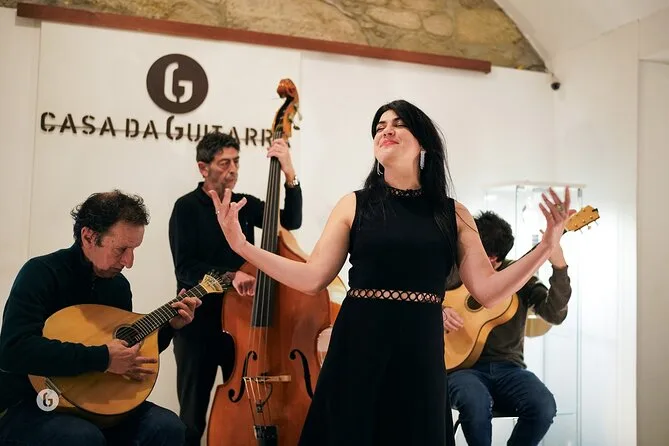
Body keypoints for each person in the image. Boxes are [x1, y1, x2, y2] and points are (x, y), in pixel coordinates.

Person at [208, 99, 573, 446]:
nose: (386, 130)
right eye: (380, 126)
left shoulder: (453, 213)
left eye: (399, 124)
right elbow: (312, 277)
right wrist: (243, 247)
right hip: (359, 344)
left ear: (423, 143)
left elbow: (489, 291)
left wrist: (545, 247)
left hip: (420, 349)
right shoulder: (353, 204)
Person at [0, 190, 201, 446]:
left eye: (134, 250)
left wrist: (170, 327)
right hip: (33, 402)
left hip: (94, 402)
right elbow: (13, 350)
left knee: (168, 427)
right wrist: (102, 357)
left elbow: (125, 352)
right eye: (121, 249)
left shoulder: (118, 286)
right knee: (82, 437)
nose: (129, 261)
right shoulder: (41, 273)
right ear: (89, 237)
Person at [168, 131, 303, 445]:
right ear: (203, 168)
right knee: (192, 419)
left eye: (236, 162)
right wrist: (231, 277)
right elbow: (185, 268)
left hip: (241, 328)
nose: (233, 169)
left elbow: (290, 221)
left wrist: (289, 174)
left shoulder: (244, 204)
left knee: (246, 410)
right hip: (198, 328)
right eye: (224, 163)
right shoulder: (186, 208)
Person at [443, 210, 572, 446]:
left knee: (543, 406)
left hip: (509, 368)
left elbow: (554, 314)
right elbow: (416, 305)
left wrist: (560, 267)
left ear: (494, 258)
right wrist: (439, 311)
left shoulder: (520, 279)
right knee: (475, 401)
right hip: (459, 370)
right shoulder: (449, 273)